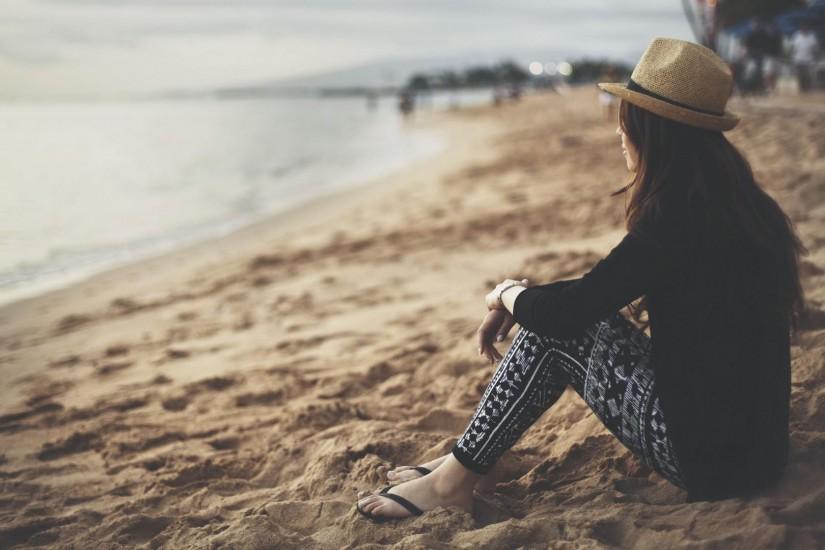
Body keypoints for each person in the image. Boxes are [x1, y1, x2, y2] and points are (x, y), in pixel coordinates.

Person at [355, 37, 806, 521]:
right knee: (565, 319)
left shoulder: (676, 219)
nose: (618, 131)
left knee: (555, 331)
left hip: (712, 463)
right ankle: (467, 462)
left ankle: (453, 482)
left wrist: (506, 294)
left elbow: (571, 313)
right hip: (755, 449)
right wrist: (521, 297)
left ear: (654, 131)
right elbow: (597, 290)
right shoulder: (744, 207)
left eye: (627, 117)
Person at [789, 22, 821, 92]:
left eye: (805, 28)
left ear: (808, 29)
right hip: (798, 59)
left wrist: (816, 57)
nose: (804, 29)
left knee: (808, 76)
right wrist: (791, 56)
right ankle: (801, 90)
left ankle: (808, 89)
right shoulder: (796, 36)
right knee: (800, 76)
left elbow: (816, 48)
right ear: (800, 29)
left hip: (809, 59)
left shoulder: (812, 36)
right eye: (802, 28)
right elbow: (792, 47)